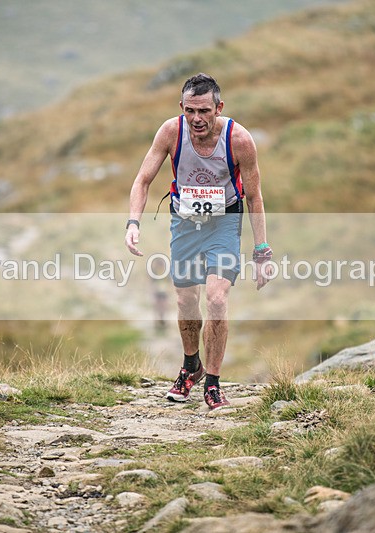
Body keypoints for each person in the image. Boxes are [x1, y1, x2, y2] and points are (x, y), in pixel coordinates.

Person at [125, 73, 273, 410]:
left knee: (217, 299)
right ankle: (191, 365)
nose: (197, 119)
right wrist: (133, 223)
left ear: (219, 108)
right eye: (190, 110)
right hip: (185, 224)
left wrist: (262, 251)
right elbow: (143, 180)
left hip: (224, 223)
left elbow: (254, 197)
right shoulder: (171, 132)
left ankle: (214, 383)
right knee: (185, 302)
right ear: (182, 108)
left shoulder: (239, 140)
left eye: (204, 111)